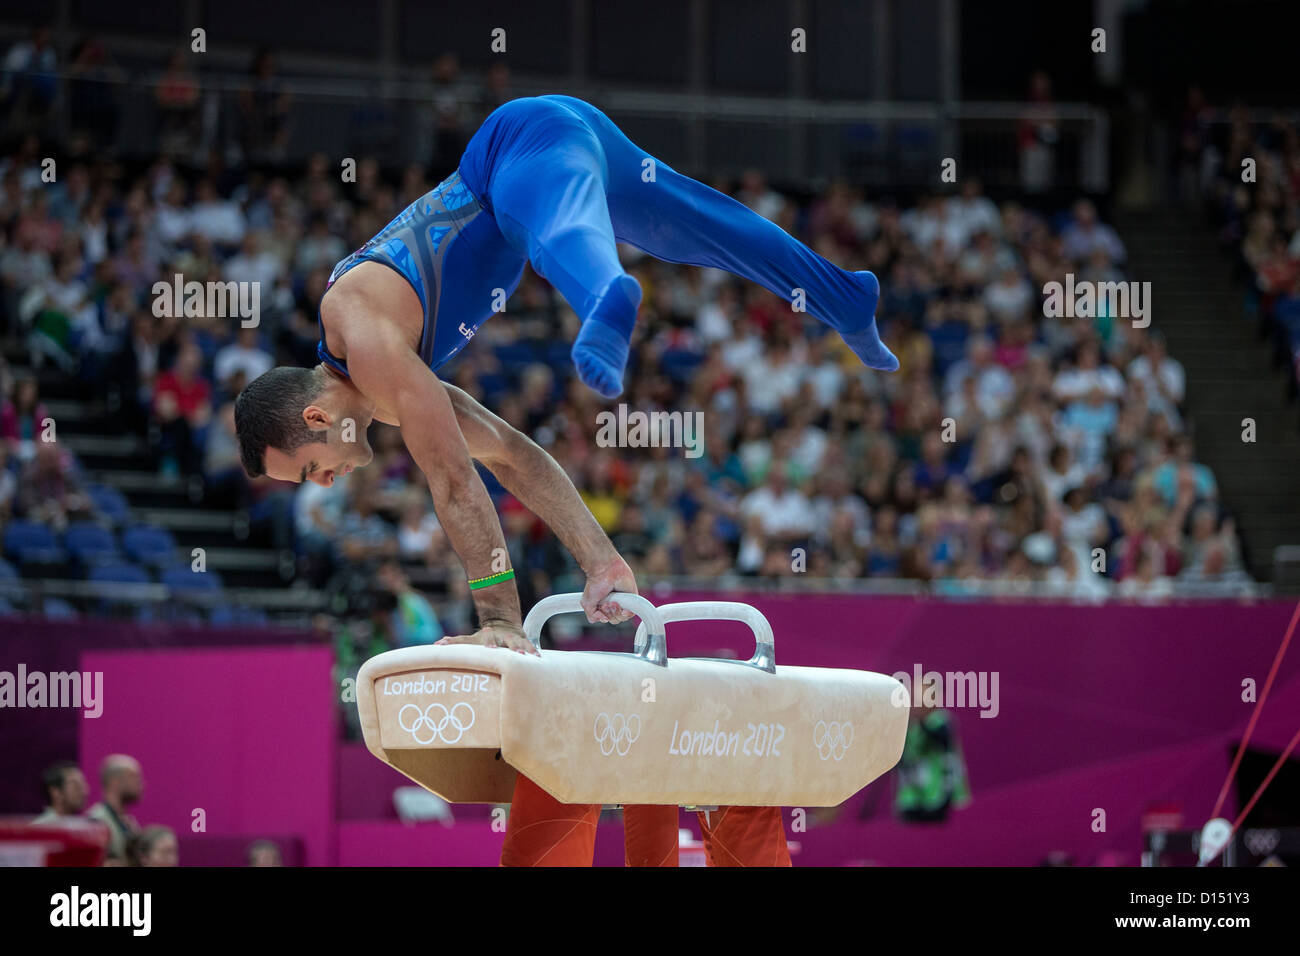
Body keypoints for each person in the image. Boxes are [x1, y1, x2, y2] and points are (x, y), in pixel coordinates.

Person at [85, 754, 143, 864]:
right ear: (114, 781)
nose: (140, 783)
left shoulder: (129, 822)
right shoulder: (95, 821)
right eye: (134, 777)